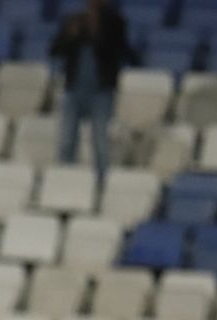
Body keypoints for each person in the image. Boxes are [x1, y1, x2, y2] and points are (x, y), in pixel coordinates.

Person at [51, 0, 136, 183]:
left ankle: (102, 184)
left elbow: (120, 51)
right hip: (73, 90)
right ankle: (63, 182)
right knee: (66, 141)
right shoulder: (73, 20)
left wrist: (97, 28)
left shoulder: (115, 22)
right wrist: (70, 35)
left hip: (100, 92)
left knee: (100, 142)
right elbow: (55, 50)